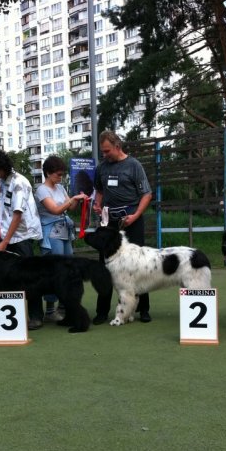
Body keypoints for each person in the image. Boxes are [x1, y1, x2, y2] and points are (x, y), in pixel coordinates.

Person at [92, 130, 153, 324]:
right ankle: (102, 312)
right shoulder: (101, 168)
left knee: (138, 265)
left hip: (131, 220)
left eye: (107, 151)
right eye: (102, 151)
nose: (104, 155)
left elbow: (147, 194)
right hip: (108, 223)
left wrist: (135, 215)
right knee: (104, 266)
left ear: (118, 147)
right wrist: (97, 204)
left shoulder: (134, 165)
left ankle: (144, 309)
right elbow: (99, 191)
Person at [0, 148, 43, 329]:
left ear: (1, 166)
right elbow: (7, 208)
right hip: (8, 235)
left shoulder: (19, 183)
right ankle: (6, 316)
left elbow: (17, 214)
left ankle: (36, 316)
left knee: (29, 278)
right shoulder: (3, 181)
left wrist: (5, 242)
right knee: (6, 277)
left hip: (22, 237)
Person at [35, 155, 87, 321]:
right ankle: (50, 310)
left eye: (62, 174)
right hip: (51, 233)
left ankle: (64, 307)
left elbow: (69, 207)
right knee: (54, 271)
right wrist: (71, 200)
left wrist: (78, 199)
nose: (60, 177)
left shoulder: (60, 187)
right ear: (48, 173)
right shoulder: (42, 189)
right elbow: (55, 210)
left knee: (68, 269)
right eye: (58, 174)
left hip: (63, 230)